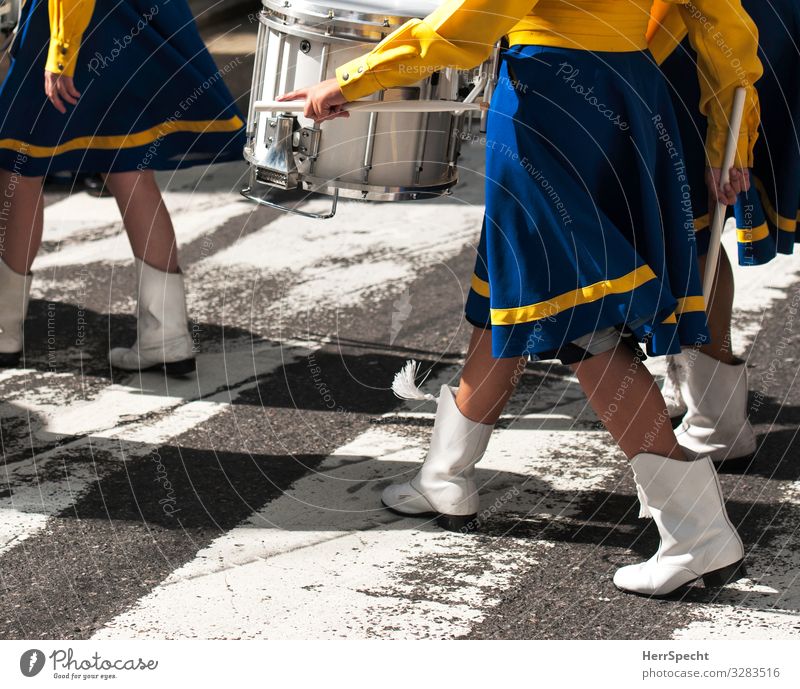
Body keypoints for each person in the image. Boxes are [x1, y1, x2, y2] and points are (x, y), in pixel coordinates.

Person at [280, 0, 761, 597]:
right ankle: (446, 472)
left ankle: (698, 534)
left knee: (576, 319)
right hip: (630, 94)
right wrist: (732, 134)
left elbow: (471, 23)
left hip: (548, 105)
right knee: (519, 287)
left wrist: (356, 77)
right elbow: (727, 31)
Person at [0, 0, 245, 374]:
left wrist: (63, 51)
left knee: (19, 165)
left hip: (73, 23)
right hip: (134, 15)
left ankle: (3, 332)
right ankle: (167, 335)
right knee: (129, 167)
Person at [649, 0, 800, 465]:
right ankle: (695, 393)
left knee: (691, 227)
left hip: (702, 40)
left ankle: (718, 420)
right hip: (686, 35)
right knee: (675, 226)